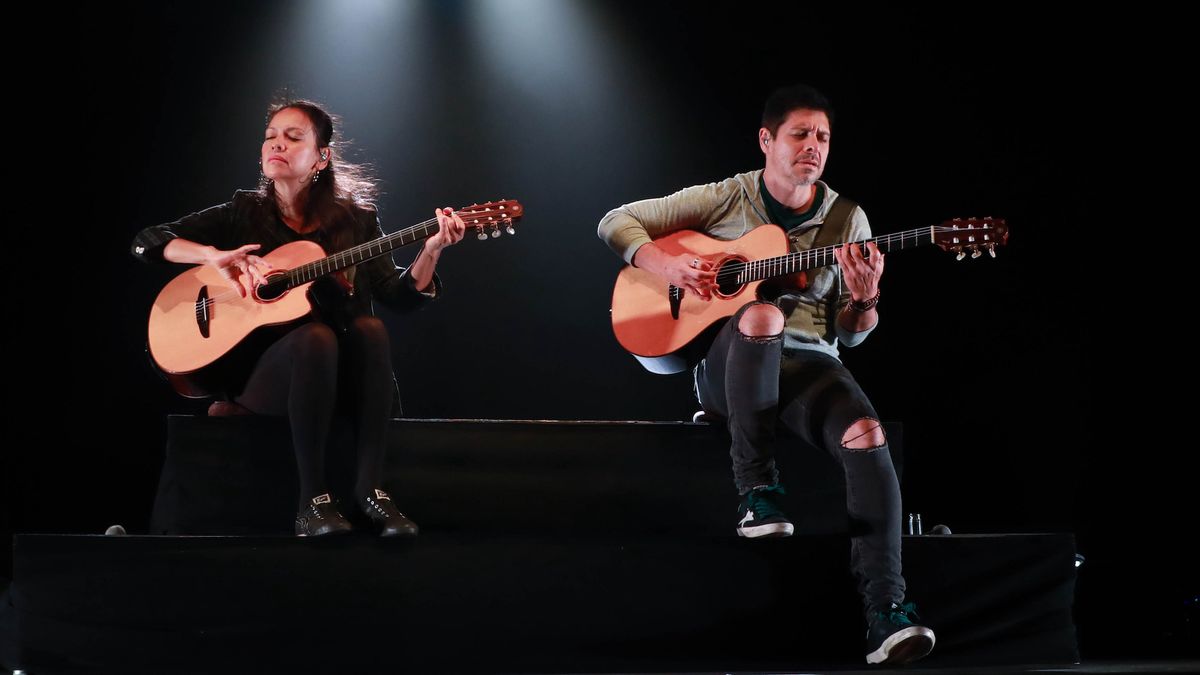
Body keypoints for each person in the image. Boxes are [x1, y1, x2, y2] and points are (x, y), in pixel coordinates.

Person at [597, 84, 935, 665]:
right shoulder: (730, 197)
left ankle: (887, 615)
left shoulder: (849, 220)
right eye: (800, 134)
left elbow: (850, 333)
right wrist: (670, 264)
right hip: (728, 364)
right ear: (767, 140)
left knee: (869, 436)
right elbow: (616, 222)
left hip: (808, 363)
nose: (813, 147)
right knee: (758, 313)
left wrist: (865, 299)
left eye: (823, 137)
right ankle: (758, 492)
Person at [132, 99, 465, 537]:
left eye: (293, 137)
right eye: (271, 136)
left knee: (367, 328)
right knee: (313, 339)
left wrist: (431, 250)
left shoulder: (356, 220)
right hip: (262, 378)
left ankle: (372, 491)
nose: (277, 144)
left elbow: (397, 297)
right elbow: (149, 240)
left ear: (321, 157)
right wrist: (213, 257)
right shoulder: (242, 212)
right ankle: (313, 502)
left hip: (341, 381)